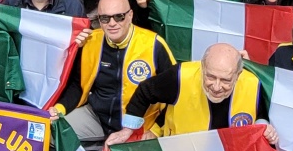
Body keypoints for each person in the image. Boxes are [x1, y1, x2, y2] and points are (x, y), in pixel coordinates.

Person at [47, 0, 176, 149]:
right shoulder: (90, 41)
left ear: (130, 15)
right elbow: (77, 85)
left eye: (119, 17)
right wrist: (59, 109)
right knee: (53, 132)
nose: (112, 23)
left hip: (141, 123)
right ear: (99, 20)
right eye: (105, 18)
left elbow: (177, 92)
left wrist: (156, 129)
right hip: (96, 117)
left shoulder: (154, 44)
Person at [116, 42, 272, 141]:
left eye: (225, 80)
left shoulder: (254, 83)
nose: (217, 87)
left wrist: (264, 126)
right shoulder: (180, 75)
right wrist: (129, 128)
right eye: (210, 77)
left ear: (238, 74)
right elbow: (146, 91)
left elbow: (261, 114)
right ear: (202, 67)